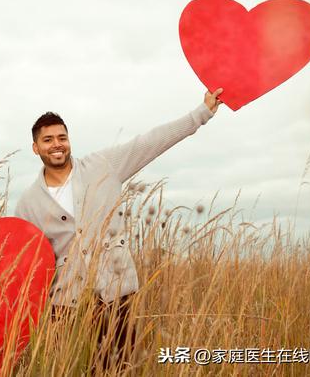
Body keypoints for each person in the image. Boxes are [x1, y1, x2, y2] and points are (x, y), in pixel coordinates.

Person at [14, 89, 223, 368]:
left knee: (122, 368)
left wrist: (202, 113)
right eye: (48, 140)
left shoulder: (102, 166)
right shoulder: (28, 202)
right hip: (65, 306)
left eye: (62, 138)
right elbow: (26, 262)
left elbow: (151, 142)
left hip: (115, 295)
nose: (57, 145)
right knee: (74, 368)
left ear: (69, 141)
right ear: (36, 147)